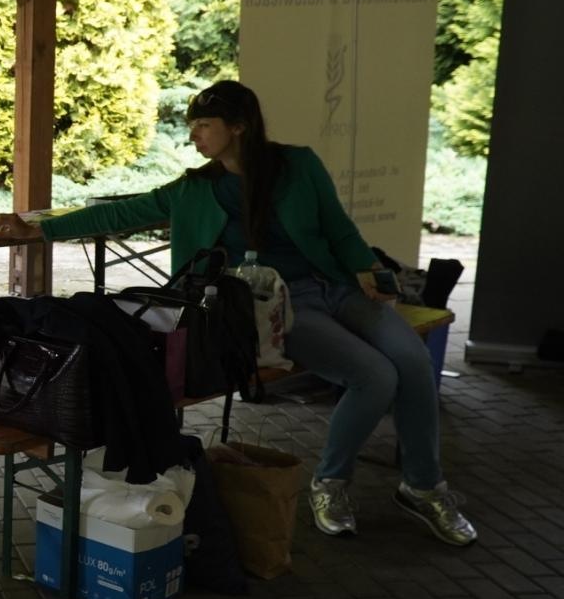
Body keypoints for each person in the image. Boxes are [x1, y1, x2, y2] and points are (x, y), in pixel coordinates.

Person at [28, 79, 475, 547]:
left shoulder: (299, 165)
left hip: (339, 289)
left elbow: (338, 228)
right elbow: (119, 215)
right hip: (278, 308)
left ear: (238, 127)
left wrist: (367, 270)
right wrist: (40, 228)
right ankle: (331, 484)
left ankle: (424, 486)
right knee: (375, 376)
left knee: (414, 361)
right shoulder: (195, 188)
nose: (194, 136)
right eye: (192, 126)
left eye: (203, 125)